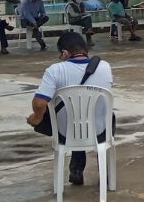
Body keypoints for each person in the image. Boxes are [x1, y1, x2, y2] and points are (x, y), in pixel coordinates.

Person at [26, 32, 114, 185]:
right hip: (99, 131)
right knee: (105, 115)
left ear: (65, 53)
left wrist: (36, 118)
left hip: (66, 133)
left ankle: (76, 169)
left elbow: (40, 103)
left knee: (74, 120)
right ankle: (104, 171)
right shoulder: (105, 66)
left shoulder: (55, 70)